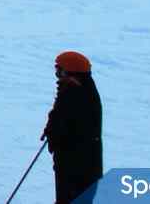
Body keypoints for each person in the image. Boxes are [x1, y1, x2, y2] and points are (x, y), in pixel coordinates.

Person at [45, 52, 103, 204]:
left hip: (76, 165)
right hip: (78, 163)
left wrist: (53, 132)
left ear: (71, 72)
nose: (58, 77)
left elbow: (63, 121)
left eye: (60, 72)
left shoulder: (75, 93)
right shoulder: (80, 89)